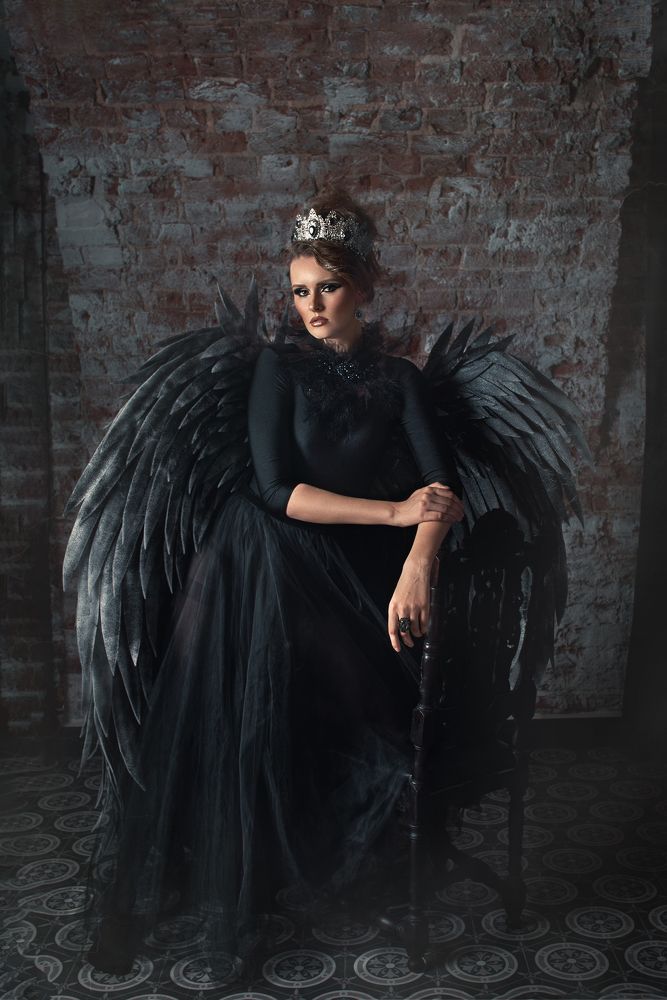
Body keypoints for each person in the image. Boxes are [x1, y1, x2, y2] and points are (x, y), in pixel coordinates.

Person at [66, 188, 585, 975]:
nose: (310, 305)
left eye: (327, 287)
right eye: (299, 290)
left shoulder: (399, 380)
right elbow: (275, 489)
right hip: (263, 558)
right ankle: (202, 887)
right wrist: (395, 514)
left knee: (342, 674)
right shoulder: (276, 368)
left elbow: (441, 490)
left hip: (348, 573)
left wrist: (417, 562)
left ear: (364, 287)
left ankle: (314, 854)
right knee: (244, 642)